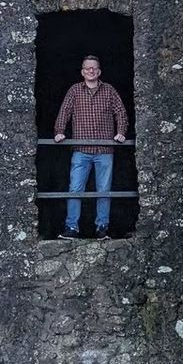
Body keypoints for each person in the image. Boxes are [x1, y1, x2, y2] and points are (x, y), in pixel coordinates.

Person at [52, 55, 129, 238]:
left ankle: (102, 227)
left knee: (104, 191)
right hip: (81, 150)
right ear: (82, 72)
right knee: (75, 189)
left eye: (94, 68)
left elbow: (121, 112)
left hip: (104, 150)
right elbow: (65, 111)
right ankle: (72, 228)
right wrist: (59, 131)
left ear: (99, 71)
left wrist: (121, 132)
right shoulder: (74, 91)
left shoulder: (109, 90)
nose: (91, 71)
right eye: (87, 68)